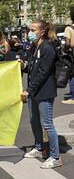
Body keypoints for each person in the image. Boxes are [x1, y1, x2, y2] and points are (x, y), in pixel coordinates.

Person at [21, 20, 62, 169]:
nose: (30, 32)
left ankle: (55, 156)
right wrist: (23, 65)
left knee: (47, 124)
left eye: (33, 30)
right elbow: (32, 69)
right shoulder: (34, 47)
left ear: (42, 32)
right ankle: (39, 148)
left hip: (44, 91)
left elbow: (43, 73)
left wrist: (29, 90)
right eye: (29, 29)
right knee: (34, 121)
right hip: (34, 91)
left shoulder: (47, 48)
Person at [62, 7, 74, 104]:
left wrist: (64, 48)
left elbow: (67, 43)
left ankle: (73, 96)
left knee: (72, 74)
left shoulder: (68, 28)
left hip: (72, 54)